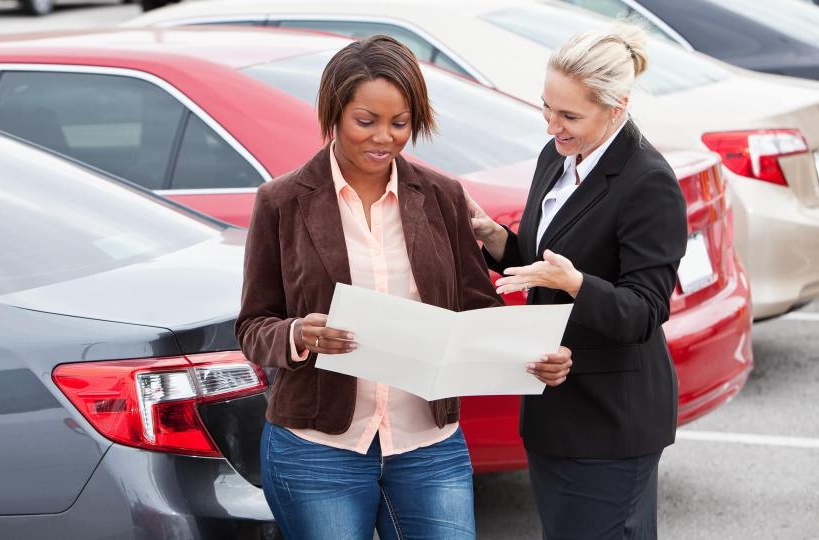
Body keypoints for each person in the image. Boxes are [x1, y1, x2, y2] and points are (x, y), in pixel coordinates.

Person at [236, 35, 572, 540]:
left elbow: (477, 311)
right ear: (334, 113)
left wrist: (534, 355)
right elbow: (252, 325)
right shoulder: (282, 202)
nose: (384, 139)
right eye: (365, 122)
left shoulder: (441, 196)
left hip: (428, 445)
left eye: (400, 124)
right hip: (317, 447)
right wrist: (298, 335)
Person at [466, 24, 688, 539]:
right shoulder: (560, 156)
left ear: (617, 108)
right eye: (546, 107)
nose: (552, 126)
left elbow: (645, 311)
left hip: (611, 420)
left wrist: (577, 284)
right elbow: (543, 259)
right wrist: (494, 238)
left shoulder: (648, 181)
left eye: (568, 115)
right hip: (553, 412)